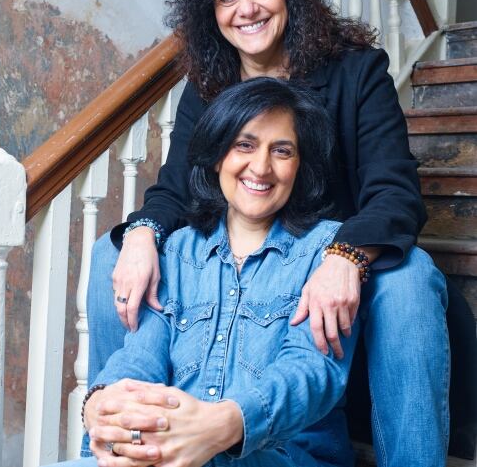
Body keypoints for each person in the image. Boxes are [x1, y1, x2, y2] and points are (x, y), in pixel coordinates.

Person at [87, 0, 450, 467]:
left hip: (331, 259)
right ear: (210, 11)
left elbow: (394, 193)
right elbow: (176, 190)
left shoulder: (357, 71)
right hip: (246, 257)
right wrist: (143, 233)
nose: (246, 9)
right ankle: (113, 437)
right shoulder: (207, 85)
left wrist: (344, 255)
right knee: (110, 255)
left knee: (412, 277)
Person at [49, 77, 361, 467]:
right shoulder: (177, 251)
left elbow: (311, 374)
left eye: (282, 151)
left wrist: (221, 425)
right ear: (218, 156)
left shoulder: (328, 251)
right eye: (244, 145)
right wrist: (102, 401)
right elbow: (141, 355)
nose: (261, 167)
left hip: (282, 456)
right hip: (172, 451)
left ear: (300, 165)